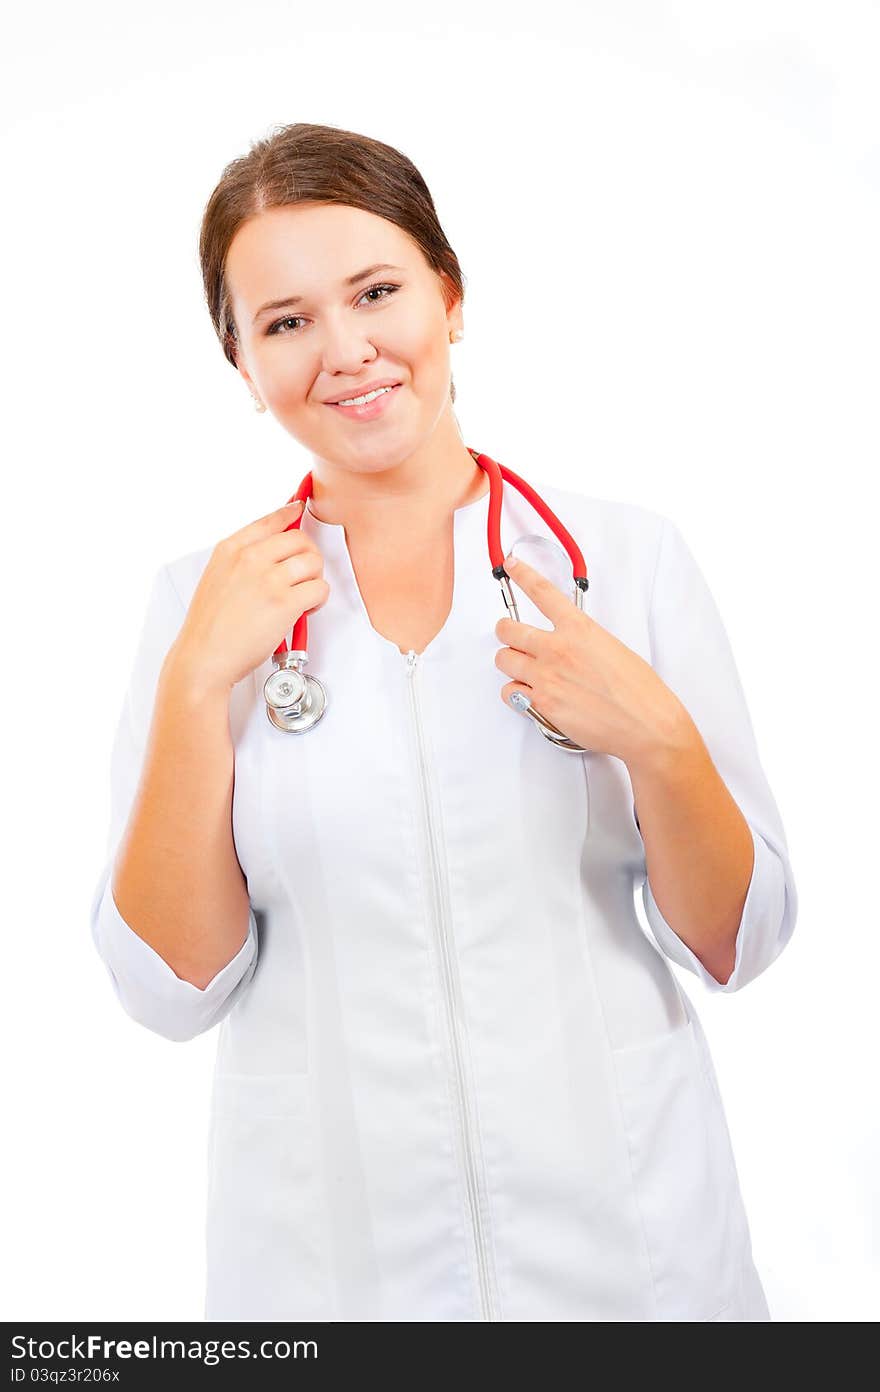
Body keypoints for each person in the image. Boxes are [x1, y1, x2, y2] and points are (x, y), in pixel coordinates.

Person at [89, 122, 798, 1322]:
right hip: (331, 1262)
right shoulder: (196, 606)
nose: (346, 350)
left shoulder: (621, 562)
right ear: (240, 361)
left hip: (631, 1247)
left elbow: (738, 943)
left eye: (376, 292)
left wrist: (659, 742)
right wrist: (195, 684)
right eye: (285, 320)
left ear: (449, 298)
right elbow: (172, 990)